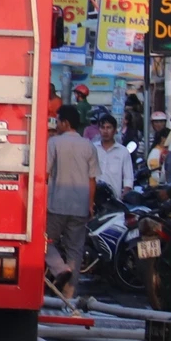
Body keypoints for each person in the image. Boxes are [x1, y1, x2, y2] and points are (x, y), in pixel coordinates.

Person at [44, 105, 99, 301]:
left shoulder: (54, 143)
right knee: (75, 250)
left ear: (65, 123)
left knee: (42, 241)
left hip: (56, 204)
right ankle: (69, 296)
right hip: (80, 207)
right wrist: (90, 204)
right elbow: (92, 180)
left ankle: (59, 268)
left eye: (57, 121)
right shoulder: (89, 145)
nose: (56, 124)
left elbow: (45, 173)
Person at [93, 113, 132, 201]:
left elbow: (128, 178)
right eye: (103, 127)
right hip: (94, 199)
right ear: (99, 130)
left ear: (114, 130)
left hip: (114, 200)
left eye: (109, 127)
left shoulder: (123, 151)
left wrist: (124, 195)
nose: (105, 131)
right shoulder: (93, 149)